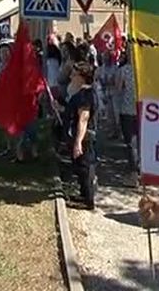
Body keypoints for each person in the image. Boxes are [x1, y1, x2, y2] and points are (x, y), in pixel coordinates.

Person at [61, 62, 98, 210]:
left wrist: (78, 142)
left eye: (74, 74)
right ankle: (83, 194)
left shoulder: (85, 95)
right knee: (80, 167)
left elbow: (83, 118)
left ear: (82, 77)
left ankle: (87, 200)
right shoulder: (81, 94)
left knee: (84, 168)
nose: (71, 76)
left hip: (84, 137)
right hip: (80, 136)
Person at [116, 49, 139, 186]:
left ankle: (133, 174)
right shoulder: (144, 70)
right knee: (140, 142)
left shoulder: (124, 70)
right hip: (143, 110)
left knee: (131, 143)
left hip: (127, 109)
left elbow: (118, 88)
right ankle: (140, 170)